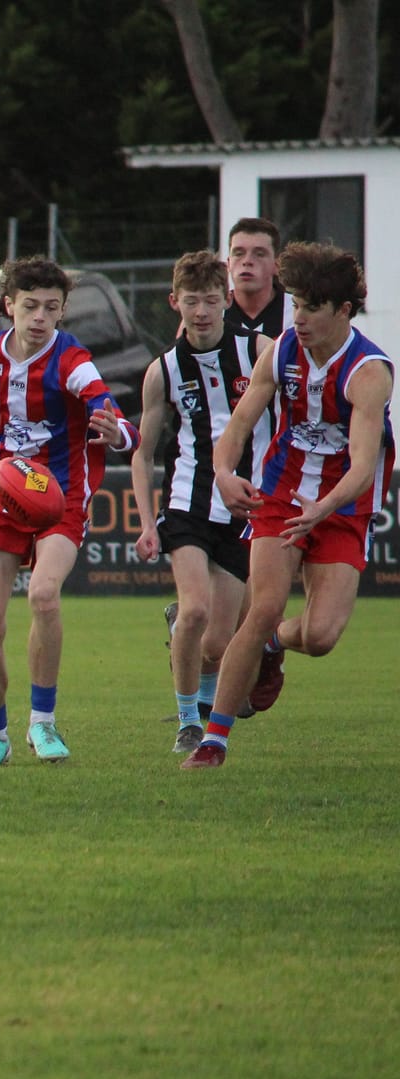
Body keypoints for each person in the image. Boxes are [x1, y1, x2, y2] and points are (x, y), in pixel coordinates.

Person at [0, 256, 140, 767]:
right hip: (4, 495)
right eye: (30, 305)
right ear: (8, 305)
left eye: (51, 308)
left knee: (43, 594)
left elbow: (110, 410)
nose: (40, 317)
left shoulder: (71, 359)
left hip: (61, 496)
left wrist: (119, 432)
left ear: (63, 311)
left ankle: (43, 723)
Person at [182, 242, 394, 768]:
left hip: (343, 507)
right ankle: (213, 741)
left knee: (319, 637)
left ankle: (273, 645)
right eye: (295, 304)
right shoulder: (281, 351)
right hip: (280, 494)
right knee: (264, 607)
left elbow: (362, 465)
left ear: (343, 310)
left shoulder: (369, 372)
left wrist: (324, 508)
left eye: (311, 308)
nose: (297, 317)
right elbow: (238, 425)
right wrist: (225, 474)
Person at [129, 252, 268, 752]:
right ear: (175, 303)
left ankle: (203, 683)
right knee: (195, 612)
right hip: (187, 500)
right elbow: (143, 453)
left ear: (227, 299)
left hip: (243, 505)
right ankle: (189, 722)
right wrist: (148, 523)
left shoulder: (260, 352)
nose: (202, 311)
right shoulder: (162, 370)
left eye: (211, 300)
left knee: (216, 642)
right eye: (192, 301)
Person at [226, 217, 295, 340]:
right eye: (239, 253)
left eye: (259, 254)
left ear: (277, 265)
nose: (247, 261)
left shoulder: (296, 313)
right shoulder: (214, 312)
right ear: (228, 263)